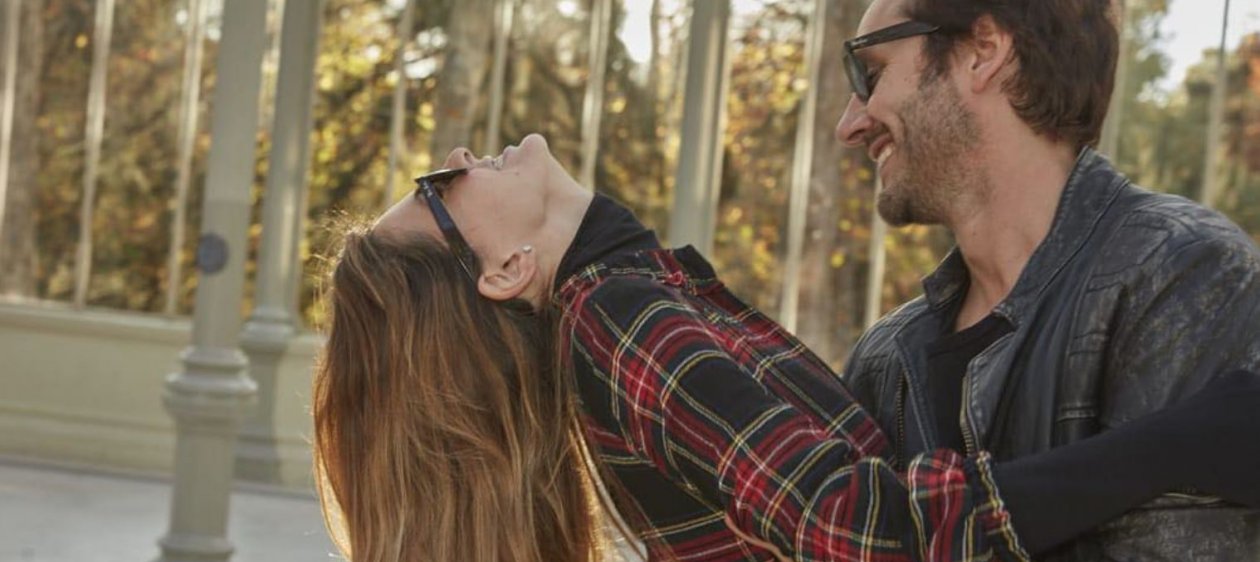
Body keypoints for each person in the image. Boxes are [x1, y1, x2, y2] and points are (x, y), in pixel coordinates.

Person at [312, 134, 1260, 562]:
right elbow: (857, 525)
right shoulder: (617, 322)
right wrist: (1183, 444)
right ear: (506, 269)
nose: (466, 157)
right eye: (442, 187)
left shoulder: (641, 304)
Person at [832, 0, 1260, 560]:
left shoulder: (1182, 271)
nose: (849, 124)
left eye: (873, 73)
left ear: (984, 52)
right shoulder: (883, 360)